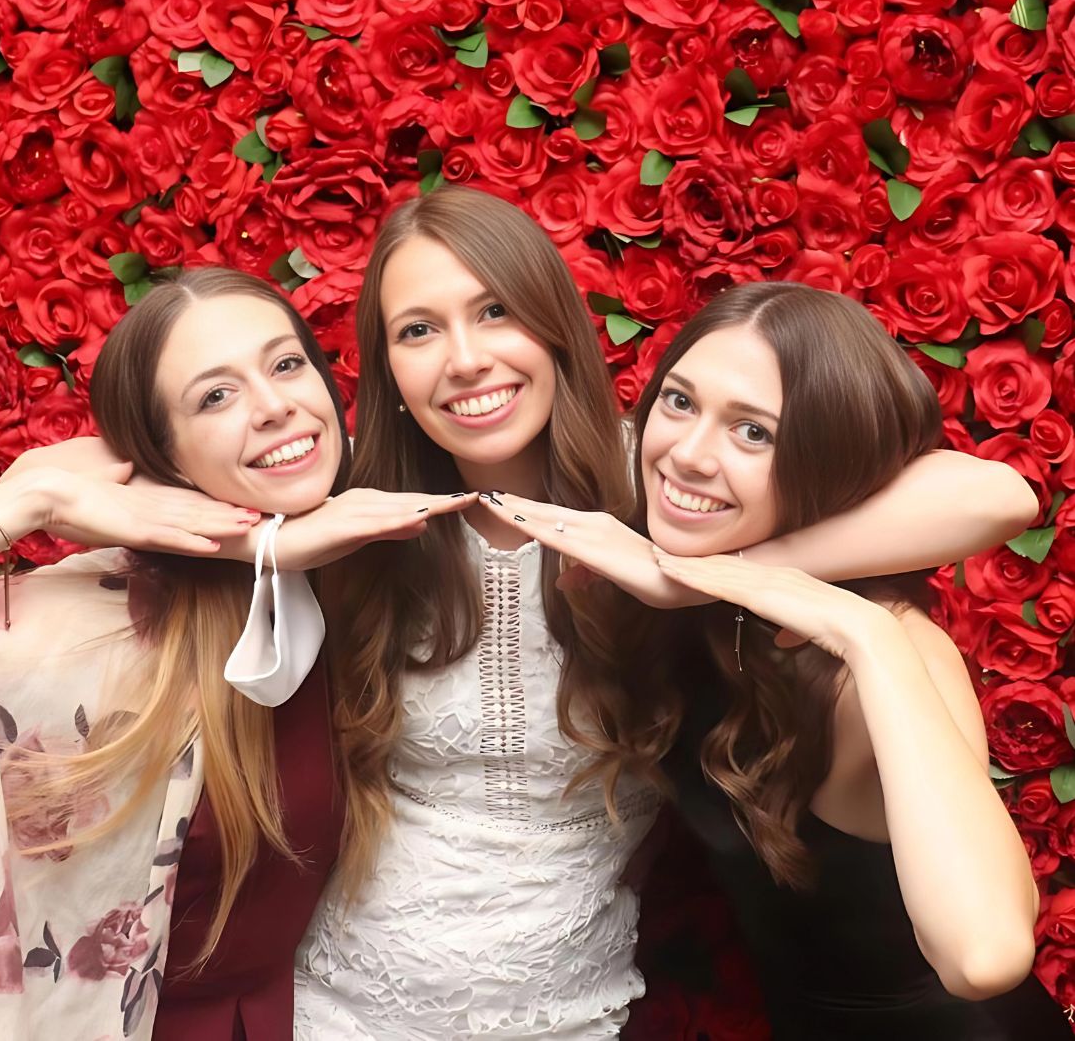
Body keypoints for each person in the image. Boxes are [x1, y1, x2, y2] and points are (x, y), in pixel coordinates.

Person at [291, 188, 1041, 1040]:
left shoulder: (656, 489)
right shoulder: (356, 516)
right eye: (417, 330)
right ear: (384, 367)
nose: (463, 359)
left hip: (573, 1008)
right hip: (345, 999)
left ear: (553, 325)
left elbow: (995, 493)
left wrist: (699, 573)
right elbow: (135, 469)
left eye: (495, 310)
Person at [0, 267, 472, 1041]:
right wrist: (31, 498)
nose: (276, 406)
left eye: (287, 365)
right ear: (167, 455)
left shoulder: (356, 566)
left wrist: (269, 548)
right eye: (214, 397)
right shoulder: (113, 618)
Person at [477, 281, 1067, 1039]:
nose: (688, 455)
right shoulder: (680, 565)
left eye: (754, 433)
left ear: (824, 460)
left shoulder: (881, 647)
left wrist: (866, 631)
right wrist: (707, 581)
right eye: (680, 402)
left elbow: (984, 957)